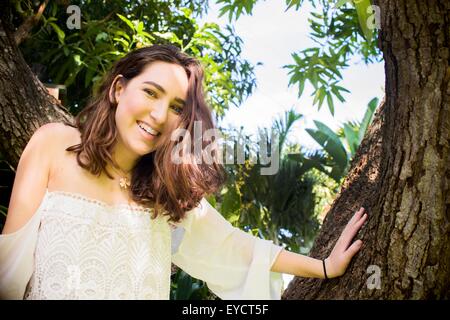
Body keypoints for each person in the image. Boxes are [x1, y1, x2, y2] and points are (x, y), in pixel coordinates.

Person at [0, 44, 368, 300]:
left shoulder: (167, 195)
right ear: (118, 89)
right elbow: (8, 273)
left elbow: (240, 250)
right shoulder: (54, 146)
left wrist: (324, 267)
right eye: (150, 92)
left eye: (176, 107)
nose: (159, 115)